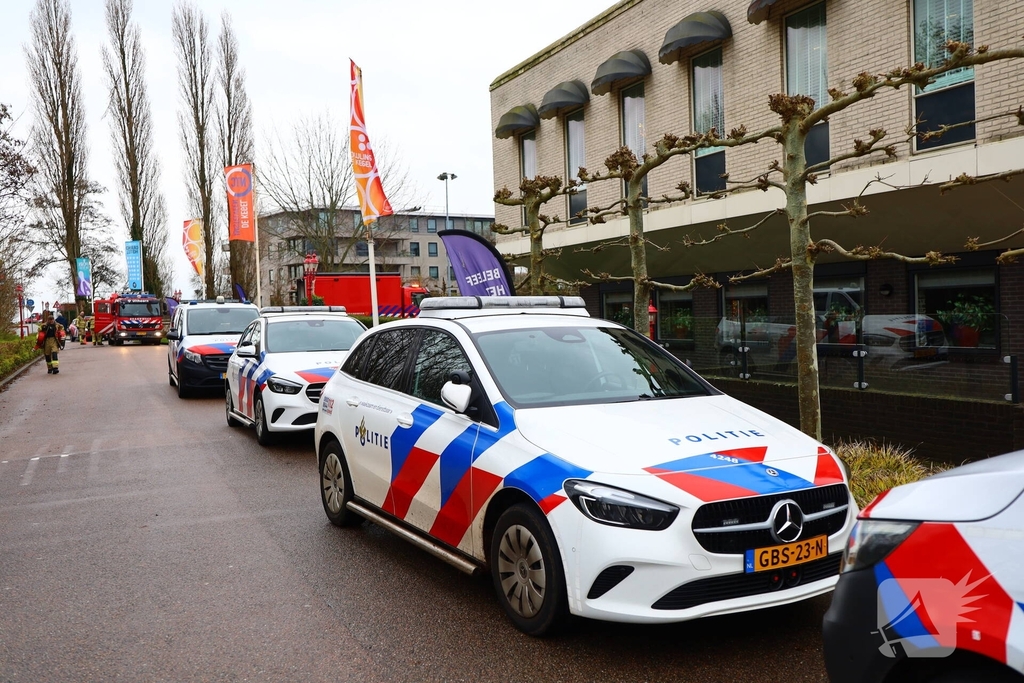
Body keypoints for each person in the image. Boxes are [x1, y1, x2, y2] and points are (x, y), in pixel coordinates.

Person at [34, 310, 66, 375]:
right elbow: (39, 330)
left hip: (54, 340)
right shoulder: (44, 325)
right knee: (47, 355)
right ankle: (50, 368)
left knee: (54, 353)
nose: (51, 321)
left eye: (52, 320)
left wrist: (61, 334)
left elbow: (62, 328)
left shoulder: (57, 325)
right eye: (50, 320)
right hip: (47, 341)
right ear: (48, 320)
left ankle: (55, 368)